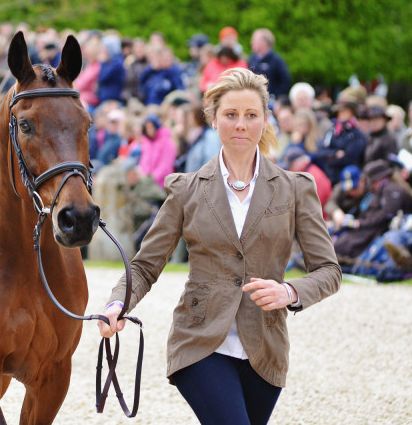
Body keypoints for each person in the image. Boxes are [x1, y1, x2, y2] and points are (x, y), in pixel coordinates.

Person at [99, 68, 341, 425]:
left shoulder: (295, 189)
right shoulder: (186, 190)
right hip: (199, 341)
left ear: (264, 120)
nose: (240, 124)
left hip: (266, 348)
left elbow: (329, 271)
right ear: (213, 119)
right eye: (230, 114)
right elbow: (145, 266)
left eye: (250, 115)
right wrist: (117, 303)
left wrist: (289, 291)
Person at [333, 159, 412, 263]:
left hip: (377, 230)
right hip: (369, 227)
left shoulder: (391, 190)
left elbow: (385, 215)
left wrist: (360, 223)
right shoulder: (380, 191)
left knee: (347, 243)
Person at [248, 28, 291, 98]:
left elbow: (285, 81)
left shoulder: (276, 60)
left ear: (264, 42)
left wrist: (275, 96)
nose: (252, 43)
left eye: (255, 40)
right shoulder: (252, 59)